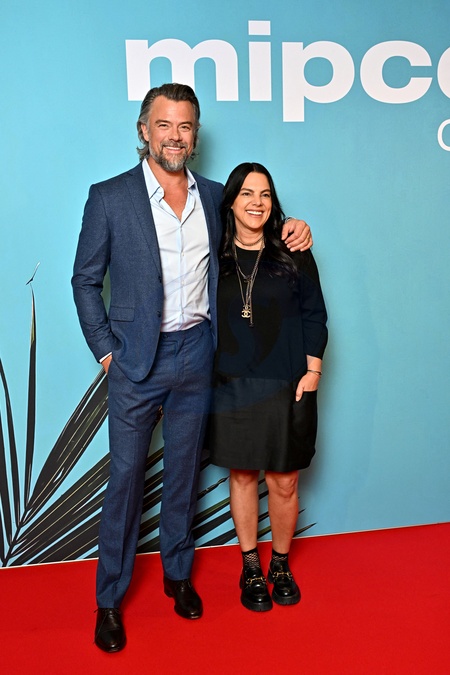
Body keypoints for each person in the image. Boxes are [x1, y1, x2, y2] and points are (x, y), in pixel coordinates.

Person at [72, 83, 313, 653]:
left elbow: (257, 228)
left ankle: (178, 576)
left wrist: (295, 228)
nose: (174, 136)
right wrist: (106, 351)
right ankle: (109, 600)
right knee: (126, 481)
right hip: (136, 359)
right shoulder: (109, 197)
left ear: (195, 135)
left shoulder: (214, 196)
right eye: (164, 125)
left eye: (185, 126)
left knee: (183, 474)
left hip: (198, 353)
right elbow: (84, 280)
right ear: (144, 131)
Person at [208, 162, 328, 612]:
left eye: (265, 194)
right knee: (242, 476)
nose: (256, 203)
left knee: (284, 481)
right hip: (231, 384)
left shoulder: (293, 251)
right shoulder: (213, 255)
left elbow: (315, 313)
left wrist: (313, 372)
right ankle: (250, 566)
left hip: (287, 382)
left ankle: (279, 564)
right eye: (247, 194)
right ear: (231, 202)